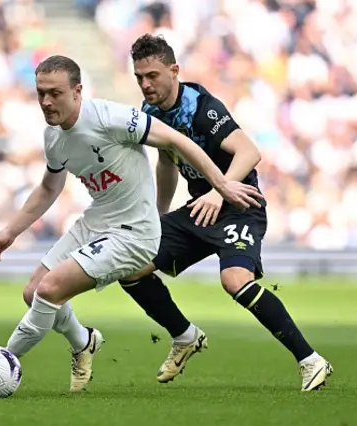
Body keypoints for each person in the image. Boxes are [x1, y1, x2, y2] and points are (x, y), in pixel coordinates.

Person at [0, 55, 264, 392]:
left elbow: (178, 141)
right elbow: (48, 188)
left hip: (134, 232)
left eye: (55, 93)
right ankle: (83, 341)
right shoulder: (54, 137)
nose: (46, 101)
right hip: (98, 220)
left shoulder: (112, 118)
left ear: (77, 91)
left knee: (49, 290)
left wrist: (220, 185)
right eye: (40, 93)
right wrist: (10, 231)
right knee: (33, 292)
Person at [119, 35, 333, 392]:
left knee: (234, 280)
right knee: (130, 266)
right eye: (139, 76)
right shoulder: (151, 113)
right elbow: (167, 163)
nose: (145, 84)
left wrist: (220, 192)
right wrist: (157, 216)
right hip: (200, 209)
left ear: (174, 71)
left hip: (238, 206)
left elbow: (249, 152)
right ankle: (185, 336)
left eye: (152, 75)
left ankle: (311, 360)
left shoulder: (202, 108)